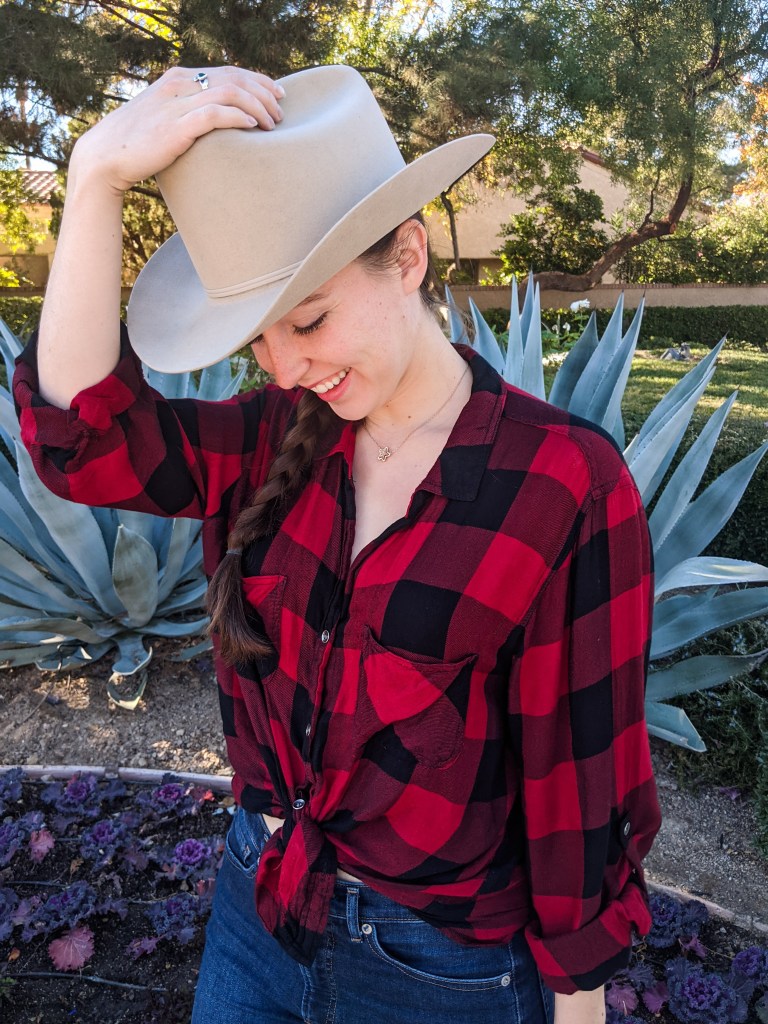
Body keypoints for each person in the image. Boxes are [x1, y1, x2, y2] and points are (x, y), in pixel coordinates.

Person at [13, 64, 662, 1024]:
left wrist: (577, 1005)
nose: (286, 368)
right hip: (260, 906)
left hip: (440, 970)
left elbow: (578, 774)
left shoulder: (562, 482)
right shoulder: (270, 439)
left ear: (409, 257)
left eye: (310, 320)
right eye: (258, 339)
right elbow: (83, 443)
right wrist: (95, 175)